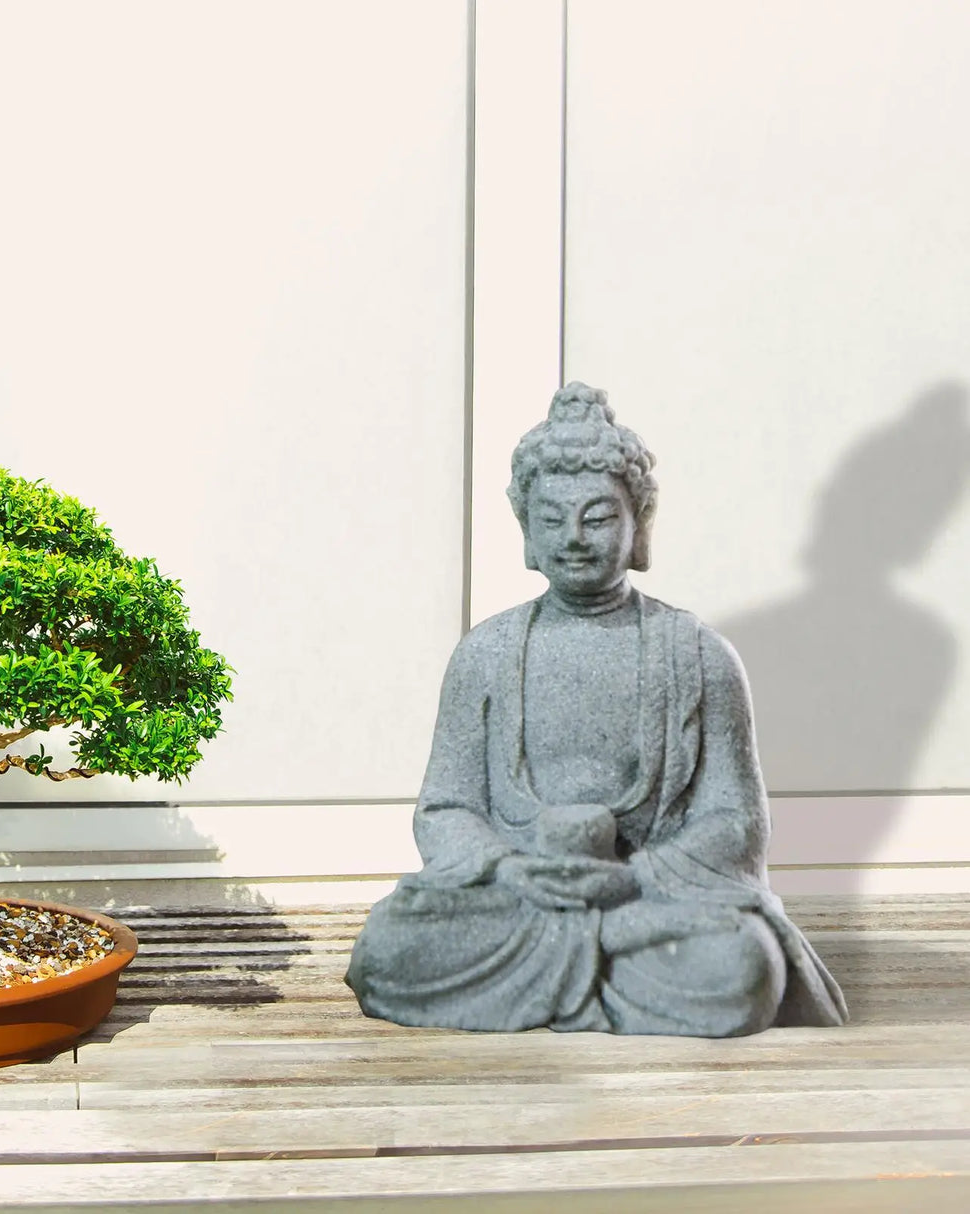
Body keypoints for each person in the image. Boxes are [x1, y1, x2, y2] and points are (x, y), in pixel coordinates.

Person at [345, 383, 847, 1036]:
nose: (574, 538)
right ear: (526, 530)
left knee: (741, 967)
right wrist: (511, 867)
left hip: (645, 901)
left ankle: (573, 978)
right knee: (386, 951)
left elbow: (736, 820)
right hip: (521, 899)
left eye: (598, 518)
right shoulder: (486, 653)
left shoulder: (697, 654)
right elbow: (445, 809)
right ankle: (602, 980)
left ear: (640, 524)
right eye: (552, 520)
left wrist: (634, 877)